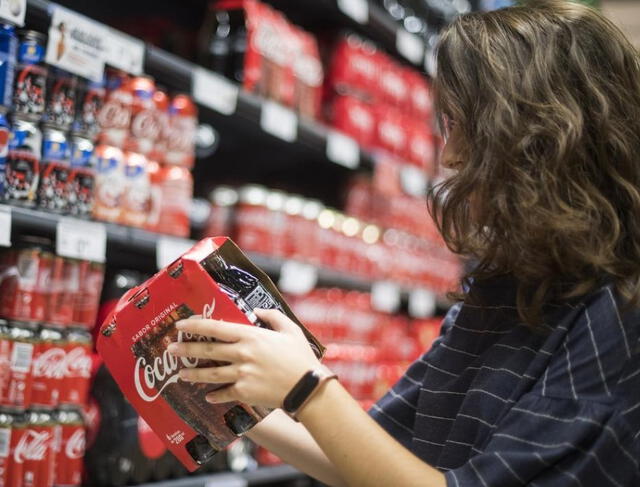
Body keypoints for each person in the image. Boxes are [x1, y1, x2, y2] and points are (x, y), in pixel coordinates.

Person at [168, 1, 640, 485]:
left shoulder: (618, 318)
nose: (451, 155)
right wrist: (234, 393)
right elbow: (371, 460)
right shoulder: (503, 286)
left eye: (466, 126)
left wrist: (307, 387)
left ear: (546, 137)